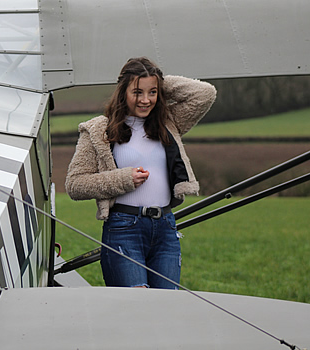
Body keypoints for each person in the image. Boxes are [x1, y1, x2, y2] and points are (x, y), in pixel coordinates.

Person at [65, 57, 216, 289]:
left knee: (166, 308)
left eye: (152, 92)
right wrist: (122, 179)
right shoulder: (97, 130)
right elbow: (75, 184)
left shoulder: (168, 122)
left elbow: (204, 93)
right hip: (124, 230)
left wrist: (156, 80)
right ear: (122, 91)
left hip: (166, 229)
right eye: (137, 92)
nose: (146, 100)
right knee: (135, 312)